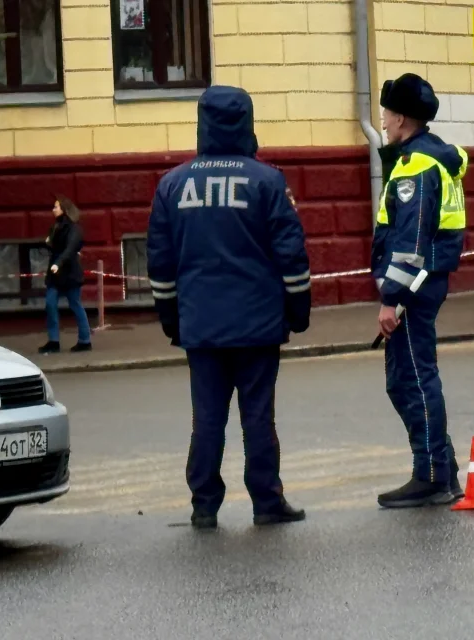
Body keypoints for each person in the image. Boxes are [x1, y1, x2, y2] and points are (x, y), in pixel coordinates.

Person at [146, 85, 312, 530]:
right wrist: (298, 311)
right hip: (258, 323)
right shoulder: (266, 180)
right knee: (257, 416)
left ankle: (204, 503)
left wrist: (171, 319)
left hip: (200, 324)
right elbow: (291, 255)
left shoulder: (172, 185)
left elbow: (161, 264)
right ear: (247, 123)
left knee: (208, 418)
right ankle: (267, 501)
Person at [371, 73, 467, 509]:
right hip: (423, 285)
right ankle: (441, 470)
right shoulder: (424, 158)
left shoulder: (416, 167)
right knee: (409, 377)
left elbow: (411, 243)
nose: (384, 120)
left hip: (413, 289)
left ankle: (430, 475)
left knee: (412, 380)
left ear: (403, 118)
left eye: (387, 113)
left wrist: (393, 298)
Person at [38, 196, 92, 354]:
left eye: (56, 207)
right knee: (50, 304)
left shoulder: (74, 228)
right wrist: (47, 243)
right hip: (55, 274)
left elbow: (70, 249)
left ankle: (84, 340)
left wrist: (58, 264)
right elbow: (53, 247)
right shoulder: (55, 226)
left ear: (64, 209)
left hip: (69, 272)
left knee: (75, 304)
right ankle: (53, 341)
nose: (53, 210)